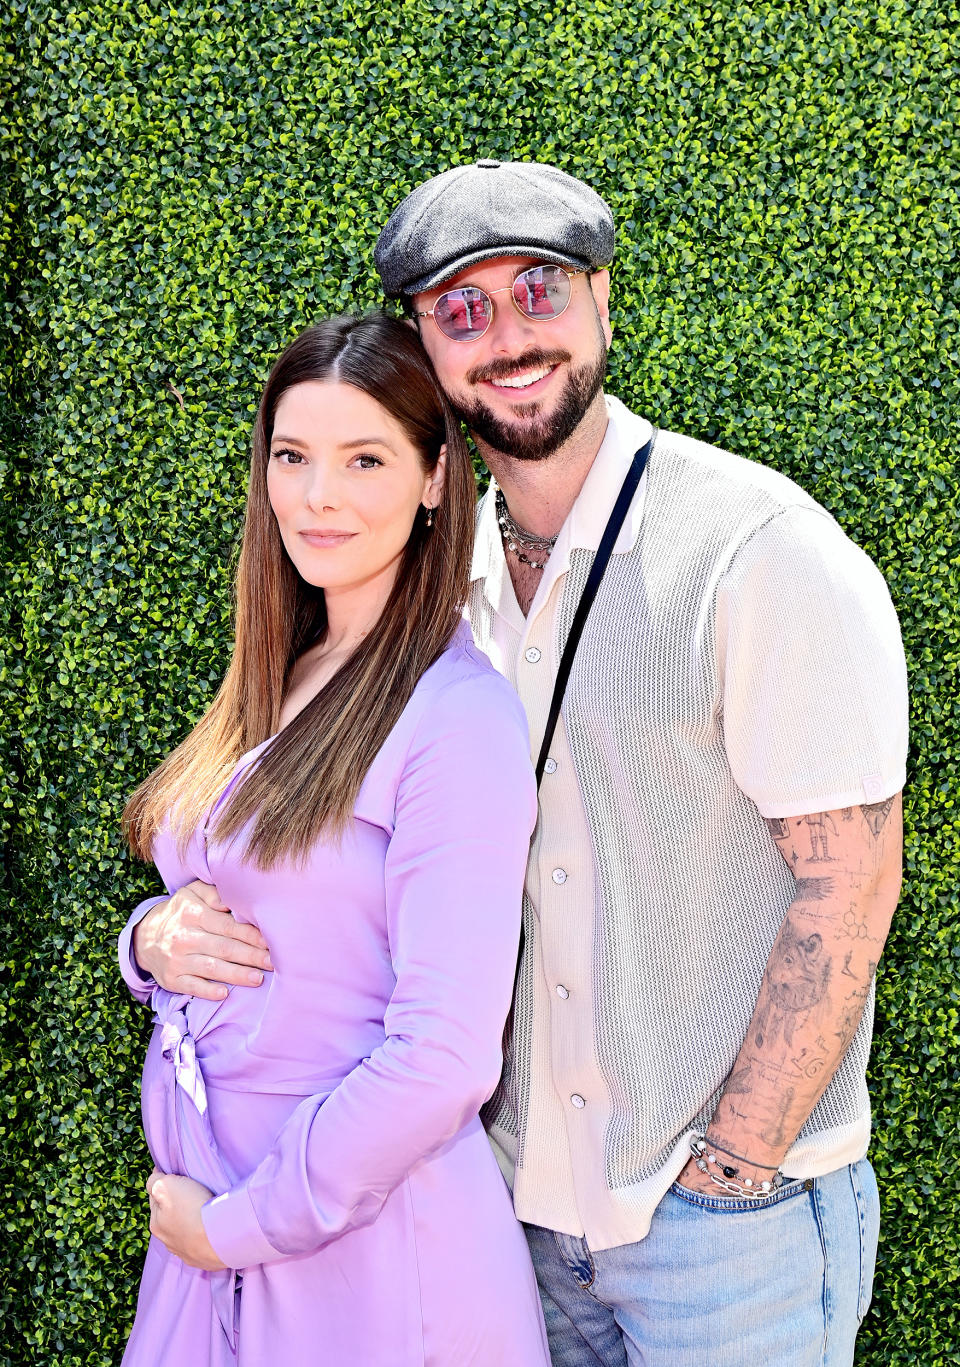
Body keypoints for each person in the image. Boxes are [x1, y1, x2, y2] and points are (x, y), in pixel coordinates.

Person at [127, 161, 908, 1367]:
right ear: (428, 358)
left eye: (538, 290)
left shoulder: (754, 552)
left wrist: (732, 1169)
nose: (507, 337)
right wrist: (161, 931)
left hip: (717, 1231)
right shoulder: (440, 583)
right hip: (523, 1219)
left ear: (602, 299)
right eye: (463, 311)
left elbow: (850, 883)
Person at [117, 313, 551, 1366]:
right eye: (293, 456)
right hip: (216, 1248)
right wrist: (151, 940)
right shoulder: (282, 672)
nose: (319, 496)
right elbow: (231, 888)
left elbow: (443, 1053)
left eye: (365, 459)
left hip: (363, 1265)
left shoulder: (456, 719)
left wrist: (237, 1228)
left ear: (438, 477)